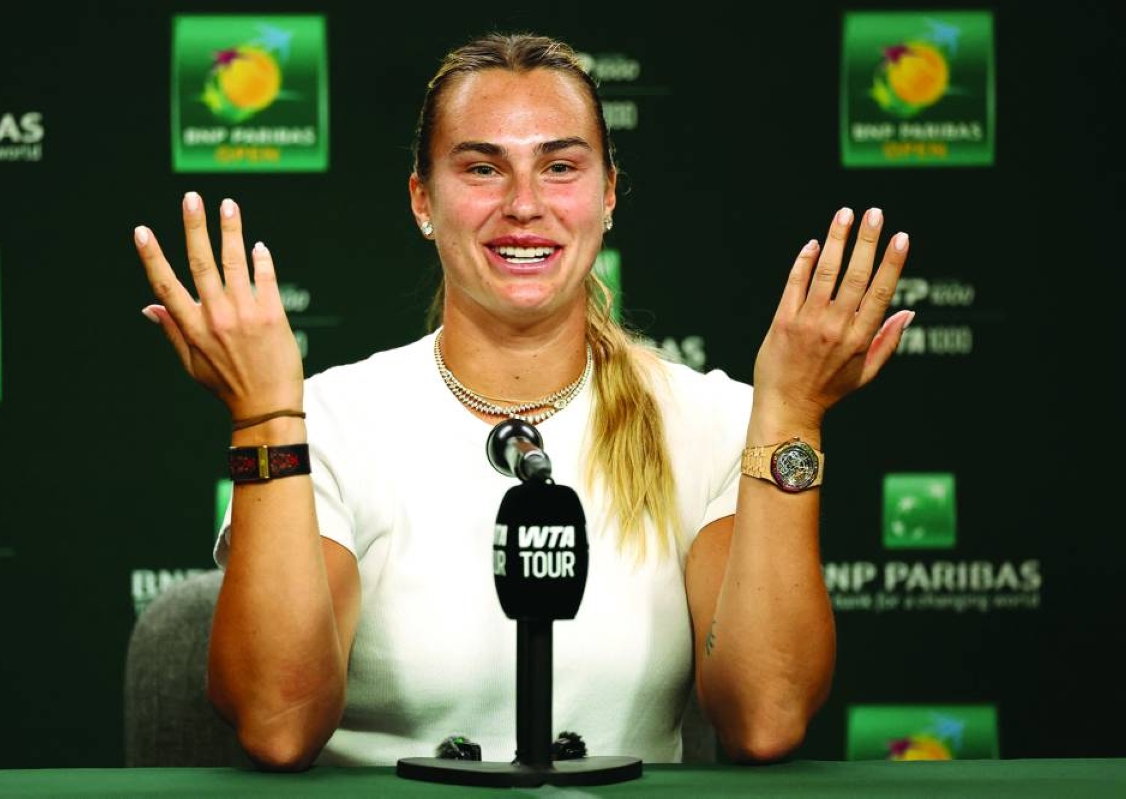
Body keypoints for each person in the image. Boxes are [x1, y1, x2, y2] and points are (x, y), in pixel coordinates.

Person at [133, 32, 913, 772]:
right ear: (421, 200)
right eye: (481, 169)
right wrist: (267, 418)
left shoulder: (708, 420)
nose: (524, 204)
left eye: (560, 167)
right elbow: (277, 721)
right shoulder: (332, 419)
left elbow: (766, 715)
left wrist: (789, 416)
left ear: (609, 194)